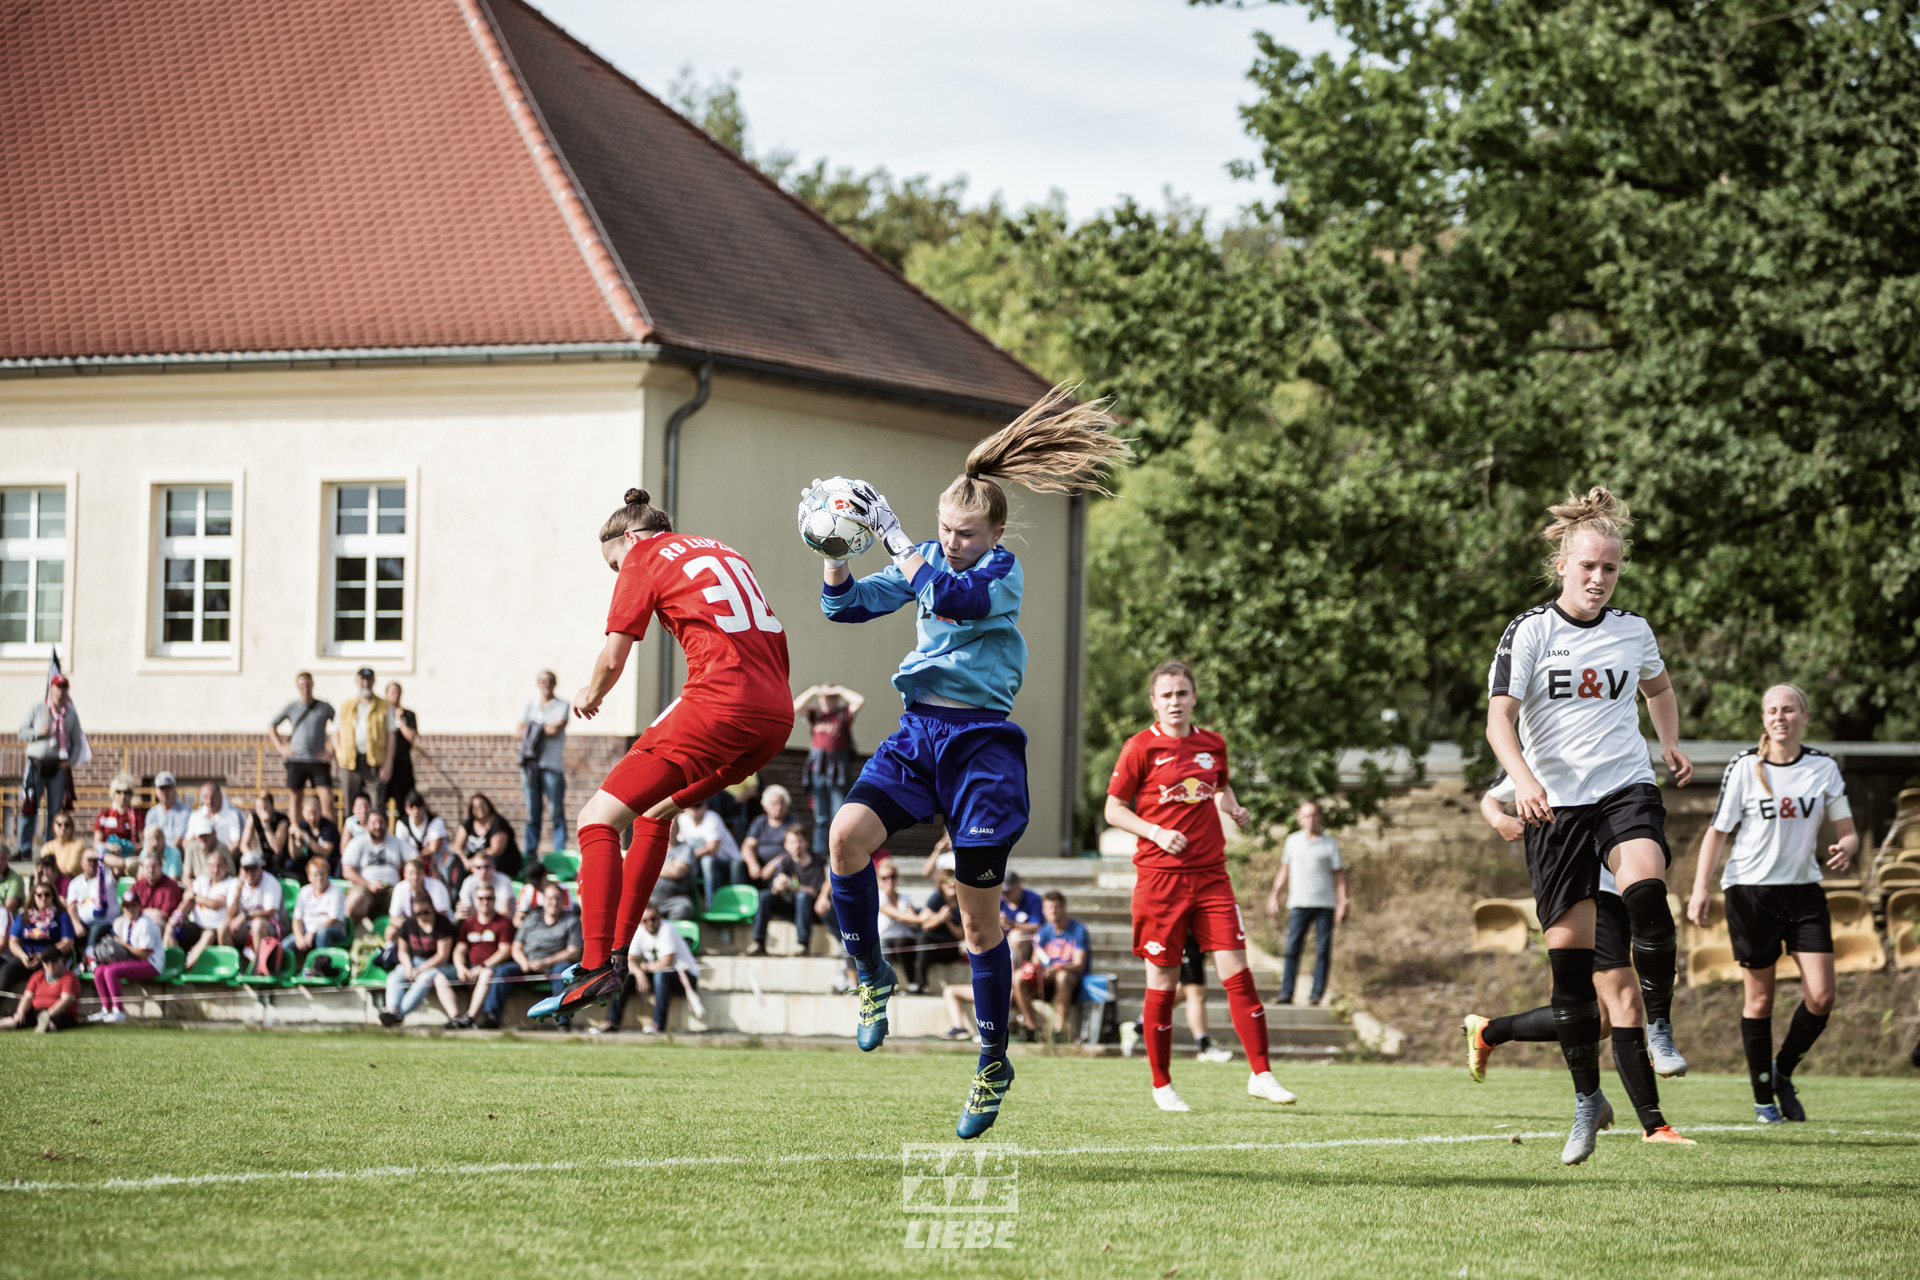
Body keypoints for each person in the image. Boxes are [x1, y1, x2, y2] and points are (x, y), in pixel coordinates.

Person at [816, 385, 1130, 1138]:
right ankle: (872, 976)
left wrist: (897, 540)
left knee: (977, 923)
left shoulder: (1002, 572)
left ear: (995, 532)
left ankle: (993, 1061)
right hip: (919, 736)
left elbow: (952, 599)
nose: (952, 542)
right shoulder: (925, 556)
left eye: (966, 533)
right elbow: (845, 607)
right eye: (944, 531)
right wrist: (835, 554)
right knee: (844, 839)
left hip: (982, 749)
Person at [1484, 486, 1694, 1166]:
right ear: (1562, 567)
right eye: (1588, 566)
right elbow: (1499, 720)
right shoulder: (1529, 631)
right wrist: (1523, 781)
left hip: (1623, 788)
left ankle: (1659, 1025)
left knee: (1646, 887)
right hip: (1554, 810)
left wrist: (1668, 742)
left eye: (1610, 567)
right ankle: (1585, 1101)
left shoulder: (1634, 631)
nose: (1599, 578)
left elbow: (1659, 689)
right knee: (1570, 972)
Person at [534, 487, 792, 1025]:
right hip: (775, 716)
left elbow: (613, 657)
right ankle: (618, 955)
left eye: (613, 565)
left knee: (595, 820)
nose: (617, 574)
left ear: (630, 537)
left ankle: (593, 965)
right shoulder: (722, 549)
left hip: (720, 703)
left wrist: (589, 693)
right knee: (654, 813)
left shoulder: (643, 556)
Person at [1464, 772, 1692, 1145]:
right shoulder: (1547, 757)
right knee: (1625, 1003)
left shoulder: (1619, 758)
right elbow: (1493, 796)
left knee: (1599, 1020)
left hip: (1623, 896)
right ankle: (1654, 1125)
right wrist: (1499, 819)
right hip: (1592, 896)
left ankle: (1491, 1031)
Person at [1105, 659, 1292, 1113]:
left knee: (1237, 972)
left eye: (1182, 693)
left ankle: (1261, 1074)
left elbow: (1220, 787)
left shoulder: (1213, 744)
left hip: (1211, 877)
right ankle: (1162, 1084)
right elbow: (1114, 809)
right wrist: (1155, 832)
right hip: (1160, 881)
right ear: (1154, 702)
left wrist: (1235, 809)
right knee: (1164, 982)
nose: (1175, 701)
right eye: (1166, 695)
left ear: (1194, 697)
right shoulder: (1140, 747)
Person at [1688, 684, 1857, 1123]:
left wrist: (1846, 847)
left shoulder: (1823, 767)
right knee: (1760, 1001)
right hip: (1750, 893)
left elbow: (1848, 831)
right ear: (1764, 719)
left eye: (1788, 710)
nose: (1780, 717)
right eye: (1772, 711)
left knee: (1822, 996)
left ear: (1804, 716)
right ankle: (1764, 1101)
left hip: (1803, 892)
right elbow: (1718, 832)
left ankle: (1783, 1071)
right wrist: (1700, 888)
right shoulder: (1745, 765)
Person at [1264, 800, 1349, 1007]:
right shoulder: (1292, 841)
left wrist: (1343, 902)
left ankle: (1316, 993)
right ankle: (1286, 992)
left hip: (1324, 904)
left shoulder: (1329, 844)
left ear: (1319, 817)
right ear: (1299, 819)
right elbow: (1284, 870)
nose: (1310, 820)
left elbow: (1339, 875)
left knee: (1322, 950)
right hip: (1299, 903)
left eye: (1313, 815)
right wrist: (1274, 895)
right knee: (1292, 948)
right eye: (1306, 816)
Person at [607, 904, 700, 1035]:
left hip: (686, 977)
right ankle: (611, 1022)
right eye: (645, 920)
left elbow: (667, 963)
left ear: (660, 917)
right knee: (623, 976)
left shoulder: (667, 929)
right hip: (659, 976)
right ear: (641, 921)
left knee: (660, 975)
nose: (650, 923)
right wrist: (639, 973)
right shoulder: (640, 931)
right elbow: (628, 960)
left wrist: (646, 967)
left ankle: (658, 1024)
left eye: (653, 919)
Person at [17, 672, 82, 854]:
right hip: (36, 765)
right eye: (58, 687)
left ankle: (49, 849)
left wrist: (70, 761)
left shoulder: (70, 714)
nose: (61, 691)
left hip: (58, 768)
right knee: (29, 807)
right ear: (51, 688)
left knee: (54, 810)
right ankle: (24, 848)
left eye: (64, 687)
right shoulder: (39, 709)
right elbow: (22, 732)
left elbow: (77, 742)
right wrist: (38, 733)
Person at [796, 683, 865, 853]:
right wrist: (813, 690)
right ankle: (821, 852)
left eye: (831, 697)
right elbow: (795, 707)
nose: (827, 701)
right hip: (817, 769)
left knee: (838, 812)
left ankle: (838, 850)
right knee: (821, 815)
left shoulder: (843, 714)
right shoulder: (816, 715)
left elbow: (859, 700)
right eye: (824, 698)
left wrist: (840, 690)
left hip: (838, 771)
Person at [1014, 891, 1088, 1042]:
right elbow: (1036, 960)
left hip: (1071, 981)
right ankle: (1031, 1028)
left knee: (1062, 976)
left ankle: (1059, 1031)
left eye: (1056, 907)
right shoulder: (1044, 931)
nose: (1053, 911)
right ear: (1043, 910)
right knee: (1018, 976)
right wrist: (1033, 970)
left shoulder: (1078, 930)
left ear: (1064, 908)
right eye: (1048, 908)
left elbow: (1079, 965)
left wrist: (1058, 968)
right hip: (1046, 979)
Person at [510, 882, 583, 1029]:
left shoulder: (571, 921)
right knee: (502, 972)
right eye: (550, 898)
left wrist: (546, 961)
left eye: (557, 899)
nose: (553, 902)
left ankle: (562, 1022)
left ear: (563, 901)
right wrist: (524, 963)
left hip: (555, 964)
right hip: (528, 964)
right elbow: (516, 947)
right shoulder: (531, 918)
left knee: (563, 972)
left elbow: (574, 952)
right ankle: (491, 1018)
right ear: (543, 900)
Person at [748, 826, 832, 955]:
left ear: (806, 843)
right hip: (790, 906)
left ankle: (803, 945)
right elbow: (776, 888)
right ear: (785, 845)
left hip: (812, 909)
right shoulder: (786, 860)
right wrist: (777, 887)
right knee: (764, 895)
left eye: (800, 841)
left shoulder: (818, 862)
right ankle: (758, 942)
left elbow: (816, 893)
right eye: (792, 842)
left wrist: (794, 887)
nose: (796, 846)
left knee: (802, 897)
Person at [378, 897, 459, 1027]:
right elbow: (402, 952)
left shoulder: (443, 924)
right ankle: (392, 1009)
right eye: (418, 913)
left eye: (426, 912)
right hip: (414, 963)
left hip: (441, 965)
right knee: (395, 976)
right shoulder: (409, 923)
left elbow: (442, 956)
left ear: (433, 908)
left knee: (424, 978)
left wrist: (419, 970)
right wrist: (409, 967)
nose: (422, 916)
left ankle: (399, 1014)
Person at [268, 672, 337, 823]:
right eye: (302, 685)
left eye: (307, 684)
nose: (305, 688)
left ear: (312, 685)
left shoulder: (324, 707)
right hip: (296, 759)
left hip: (318, 760)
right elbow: (272, 725)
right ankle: (296, 833)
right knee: (296, 799)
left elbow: (339, 727)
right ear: (298, 687)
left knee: (327, 798)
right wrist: (281, 747)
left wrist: (333, 751)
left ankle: (330, 834)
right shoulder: (291, 706)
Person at [88, 893, 166, 1023]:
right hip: (135, 960)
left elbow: (144, 955)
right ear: (123, 908)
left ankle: (119, 1012)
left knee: (111, 971)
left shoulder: (146, 924)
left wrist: (122, 944)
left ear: (139, 906)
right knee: (99, 970)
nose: (131, 909)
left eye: (134, 906)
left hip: (152, 964)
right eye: (127, 907)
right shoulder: (126, 923)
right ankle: (106, 1009)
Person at [448, 884, 515, 1029]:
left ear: (495, 900)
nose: (485, 902)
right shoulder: (468, 924)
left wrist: (482, 966)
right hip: (469, 967)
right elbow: (460, 949)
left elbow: (504, 951)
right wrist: (460, 968)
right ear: (475, 900)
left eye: (489, 898)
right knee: (437, 976)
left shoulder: (503, 923)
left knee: (486, 973)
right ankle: (455, 1018)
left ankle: (469, 1017)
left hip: (491, 967)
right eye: (481, 898)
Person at [519, 670, 570, 855]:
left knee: (556, 813)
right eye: (542, 681)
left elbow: (555, 729)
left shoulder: (562, 705)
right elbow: (519, 731)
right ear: (538, 683)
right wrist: (543, 727)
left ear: (554, 683)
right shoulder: (530, 705)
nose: (546, 684)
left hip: (551, 766)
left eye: (549, 681)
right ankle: (531, 855)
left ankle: (559, 854)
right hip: (530, 767)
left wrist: (532, 728)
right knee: (532, 814)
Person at [1, 880, 76, 1002]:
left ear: (53, 896)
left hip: (50, 961)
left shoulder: (61, 916)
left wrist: (43, 956)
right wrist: (23, 956)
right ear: (33, 897)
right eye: (39, 895)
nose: (43, 898)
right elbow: (13, 941)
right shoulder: (24, 916)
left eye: (47, 894)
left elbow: (68, 942)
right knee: (6, 971)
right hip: (27, 959)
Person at [336, 668, 392, 816]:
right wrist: (339, 754)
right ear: (357, 681)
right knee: (350, 807)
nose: (365, 683)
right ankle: (350, 832)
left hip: (374, 763)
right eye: (362, 680)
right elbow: (335, 732)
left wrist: (388, 763)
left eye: (368, 680)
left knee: (377, 805)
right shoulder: (345, 706)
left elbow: (391, 735)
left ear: (374, 681)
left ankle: (377, 831)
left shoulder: (384, 706)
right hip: (349, 762)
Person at [342, 810, 408, 930]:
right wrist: (369, 884)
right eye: (373, 823)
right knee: (356, 899)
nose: (377, 826)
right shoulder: (357, 842)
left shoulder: (396, 842)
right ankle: (344, 934)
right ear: (367, 825)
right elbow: (347, 871)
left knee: (407, 898)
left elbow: (416, 860)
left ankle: (408, 936)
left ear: (386, 824)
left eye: (381, 822)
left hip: (391, 890)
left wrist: (407, 876)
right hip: (364, 889)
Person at [175, 848, 237, 967]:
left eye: (220, 866)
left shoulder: (232, 883)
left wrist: (194, 896)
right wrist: (177, 916)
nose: (216, 870)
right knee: (173, 927)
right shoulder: (201, 880)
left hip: (216, 929)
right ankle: (170, 964)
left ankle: (187, 967)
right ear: (208, 867)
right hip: (196, 925)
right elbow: (187, 899)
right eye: (212, 866)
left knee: (208, 935)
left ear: (226, 866)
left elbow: (215, 904)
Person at [677, 799, 746, 905]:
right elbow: (681, 843)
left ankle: (712, 905)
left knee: (707, 861)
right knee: (684, 864)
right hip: (699, 862)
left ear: (705, 806)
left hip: (728, 861)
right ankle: (689, 902)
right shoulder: (682, 819)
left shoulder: (712, 818)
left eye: (698, 805)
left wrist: (686, 856)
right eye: (691, 806)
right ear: (685, 808)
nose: (694, 810)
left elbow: (712, 849)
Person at [1177, 936, 1234, 1063]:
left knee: (1183, 991)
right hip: (1185, 937)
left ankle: (1139, 1026)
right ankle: (1204, 1048)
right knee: (1196, 993)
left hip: (1194, 939)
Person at [912, 869, 968, 993]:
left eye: (954, 880)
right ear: (941, 884)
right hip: (932, 946)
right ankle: (917, 983)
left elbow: (960, 935)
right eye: (947, 881)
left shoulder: (963, 902)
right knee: (918, 940)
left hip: (950, 949)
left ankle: (919, 983)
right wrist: (939, 918)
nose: (951, 884)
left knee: (924, 941)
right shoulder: (936, 899)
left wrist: (947, 921)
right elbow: (925, 926)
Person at [289, 856, 348, 971]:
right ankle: (283, 972)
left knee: (322, 933)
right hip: (307, 930)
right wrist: (299, 936)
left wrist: (312, 931)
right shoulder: (304, 891)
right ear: (309, 876)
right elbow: (297, 919)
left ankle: (323, 969)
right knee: (285, 945)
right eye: (315, 875)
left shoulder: (336, 892)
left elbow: (333, 920)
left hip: (333, 931)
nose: (319, 878)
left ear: (328, 874)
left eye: (323, 874)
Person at [1, 946, 79, 1032]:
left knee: (53, 1023)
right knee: (15, 1020)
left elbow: (67, 999)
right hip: (37, 1011)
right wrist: (20, 1012)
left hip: (61, 1013)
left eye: (54, 960)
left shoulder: (68, 977)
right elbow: (27, 997)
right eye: (46, 961)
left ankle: (45, 1027)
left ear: (61, 960)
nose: (50, 965)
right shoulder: (37, 976)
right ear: (42, 963)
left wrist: (47, 1014)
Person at [230, 851, 283, 970]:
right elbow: (230, 915)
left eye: (253, 869)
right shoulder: (235, 884)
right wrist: (237, 893)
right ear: (241, 870)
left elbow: (271, 912)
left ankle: (259, 967)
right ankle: (233, 967)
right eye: (246, 869)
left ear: (260, 868)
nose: (250, 873)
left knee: (257, 924)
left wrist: (245, 916)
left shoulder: (271, 882)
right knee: (223, 927)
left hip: (269, 926)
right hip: (245, 927)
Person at [877, 860, 925, 992]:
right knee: (882, 944)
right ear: (879, 880)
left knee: (906, 943)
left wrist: (919, 919)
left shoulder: (905, 897)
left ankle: (914, 983)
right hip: (884, 938)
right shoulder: (878, 897)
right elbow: (898, 915)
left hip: (903, 938)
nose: (889, 881)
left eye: (892, 876)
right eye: (884, 878)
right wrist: (923, 918)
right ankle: (887, 982)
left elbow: (912, 920)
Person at [740, 784, 801, 882]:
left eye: (782, 803)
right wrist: (752, 864)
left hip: (782, 864)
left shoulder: (793, 823)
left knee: (782, 867)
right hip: (759, 864)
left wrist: (774, 863)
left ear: (787, 805)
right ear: (765, 807)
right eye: (774, 804)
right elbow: (747, 846)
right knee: (738, 864)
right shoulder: (759, 822)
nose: (778, 807)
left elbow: (795, 848)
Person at [64, 845, 117, 953]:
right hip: (82, 923)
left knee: (96, 929)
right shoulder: (75, 882)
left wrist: (98, 855)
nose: (92, 863)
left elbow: (121, 864)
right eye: (89, 860)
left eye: (95, 860)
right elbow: (71, 907)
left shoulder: (108, 875)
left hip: (105, 922)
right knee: (65, 929)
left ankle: (89, 957)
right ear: (82, 863)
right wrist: (76, 924)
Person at [395, 792, 455, 886]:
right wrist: (415, 858)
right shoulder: (402, 824)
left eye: (418, 806)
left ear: (424, 807)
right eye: (412, 807)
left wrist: (417, 856)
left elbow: (434, 848)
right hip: (413, 861)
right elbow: (401, 848)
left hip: (435, 863)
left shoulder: (436, 821)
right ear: (407, 809)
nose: (415, 810)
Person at [455, 794, 521, 880]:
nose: (480, 809)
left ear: (489, 806)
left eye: (483, 806)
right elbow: (457, 848)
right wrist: (465, 861)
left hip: (501, 861)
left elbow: (496, 850)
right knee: (458, 862)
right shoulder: (468, 824)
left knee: (490, 863)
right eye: (476, 807)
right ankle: (459, 888)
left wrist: (475, 861)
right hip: (473, 862)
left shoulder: (498, 823)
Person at [91, 773, 144, 872]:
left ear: (131, 795)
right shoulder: (104, 814)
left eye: (126, 792)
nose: (122, 796)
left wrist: (127, 847)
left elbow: (143, 842)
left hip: (129, 856)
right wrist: (110, 847)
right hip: (109, 856)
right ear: (113, 794)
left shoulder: (138, 815)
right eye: (119, 792)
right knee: (96, 851)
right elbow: (97, 843)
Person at [388, 858, 453, 936]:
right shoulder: (399, 888)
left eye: (418, 873)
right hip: (411, 929)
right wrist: (409, 929)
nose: (415, 877)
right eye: (411, 873)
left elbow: (441, 914)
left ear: (423, 873)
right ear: (405, 874)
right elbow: (394, 917)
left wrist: (423, 931)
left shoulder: (437, 886)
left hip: (435, 928)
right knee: (390, 931)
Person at [384, 682, 420, 811]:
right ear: (386, 694)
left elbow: (412, 738)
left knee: (405, 800)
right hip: (384, 763)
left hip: (403, 763)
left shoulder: (408, 715)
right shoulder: (381, 715)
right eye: (393, 692)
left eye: (398, 692)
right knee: (382, 800)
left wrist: (399, 719)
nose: (396, 695)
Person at [240, 792, 292, 879]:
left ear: (272, 806)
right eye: (259, 808)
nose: (263, 811)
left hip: (279, 858)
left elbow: (277, 848)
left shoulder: (282, 820)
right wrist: (252, 857)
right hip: (261, 855)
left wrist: (266, 825)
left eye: (265, 807)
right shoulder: (253, 817)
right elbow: (243, 845)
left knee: (277, 858)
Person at [128, 849, 184, 928]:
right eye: (147, 867)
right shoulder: (137, 886)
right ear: (142, 869)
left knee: (149, 925)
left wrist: (141, 912)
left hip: (163, 924)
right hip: (138, 919)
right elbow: (129, 908)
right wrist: (146, 912)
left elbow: (164, 915)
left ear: (161, 867)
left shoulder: (171, 886)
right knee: (119, 923)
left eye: (154, 867)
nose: (151, 870)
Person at [289, 793, 341, 878]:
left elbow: (326, 853)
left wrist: (307, 838)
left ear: (320, 811)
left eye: (315, 813)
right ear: (303, 813)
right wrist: (291, 837)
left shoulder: (328, 827)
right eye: (309, 814)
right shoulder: (303, 827)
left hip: (328, 862)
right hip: (310, 862)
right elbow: (296, 855)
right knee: (291, 864)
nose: (312, 818)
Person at [997, 870, 1043, 964]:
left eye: (1009, 892)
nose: (1005, 896)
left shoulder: (1033, 900)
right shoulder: (999, 901)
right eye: (1003, 892)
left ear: (1018, 886)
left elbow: (1037, 927)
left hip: (1028, 943)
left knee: (1016, 935)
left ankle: (1017, 970)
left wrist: (1011, 924)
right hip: (1005, 939)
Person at [145, 771, 192, 859]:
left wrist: (166, 856)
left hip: (177, 856)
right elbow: (149, 838)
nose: (165, 792)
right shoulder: (151, 813)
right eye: (162, 789)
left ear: (175, 790)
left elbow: (180, 837)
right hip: (156, 855)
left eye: (168, 788)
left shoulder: (185, 810)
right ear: (156, 791)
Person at [454, 854, 513, 921]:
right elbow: (464, 907)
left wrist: (478, 916)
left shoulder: (504, 881)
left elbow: (505, 913)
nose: (483, 871)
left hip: (498, 922)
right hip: (477, 921)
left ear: (493, 867)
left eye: (487, 866)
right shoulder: (468, 882)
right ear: (472, 869)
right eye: (478, 867)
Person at [192, 782, 246, 855]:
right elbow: (188, 840)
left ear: (220, 795)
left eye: (213, 797)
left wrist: (221, 858)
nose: (209, 801)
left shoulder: (234, 814)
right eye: (205, 797)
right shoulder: (197, 815)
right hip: (202, 857)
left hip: (228, 856)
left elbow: (236, 843)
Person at [513, 861, 569, 928]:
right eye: (534, 884)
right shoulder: (528, 889)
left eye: (538, 882)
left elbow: (568, 916)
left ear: (546, 874)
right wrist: (525, 928)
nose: (536, 886)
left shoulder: (562, 889)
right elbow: (518, 917)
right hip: (533, 928)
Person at [40, 811, 87, 879]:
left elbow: (70, 870)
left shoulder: (78, 845)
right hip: (52, 881)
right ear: (53, 826)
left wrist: (54, 869)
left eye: (67, 825)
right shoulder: (47, 847)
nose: (63, 827)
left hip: (72, 881)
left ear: (72, 827)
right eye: (59, 824)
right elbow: (45, 868)